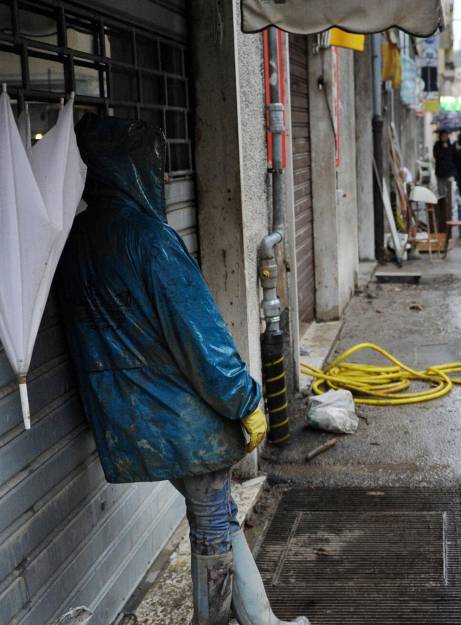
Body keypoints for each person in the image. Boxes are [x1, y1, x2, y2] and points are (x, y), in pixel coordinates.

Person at [55, 115, 308, 625]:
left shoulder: (76, 238)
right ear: (128, 169)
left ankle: (263, 622)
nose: (164, 176)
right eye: (154, 164)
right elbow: (202, 342)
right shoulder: (150, 239)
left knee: (215, 512)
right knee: (213, 520)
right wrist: (247, 400)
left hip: (127, 414)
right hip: (179, 414)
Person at [432, 129, 456, 201]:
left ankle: (449, 205)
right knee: (441, 190)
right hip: (440, 171)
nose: (445, 137)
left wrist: (447, 148)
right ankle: (442, 205)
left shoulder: (451, 145)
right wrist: (443, 149)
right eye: (443, 136)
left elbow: (453, 157)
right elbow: (436, 155)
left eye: (446, 136)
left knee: (449, 190)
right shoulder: (437, 145)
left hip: (449, 172)